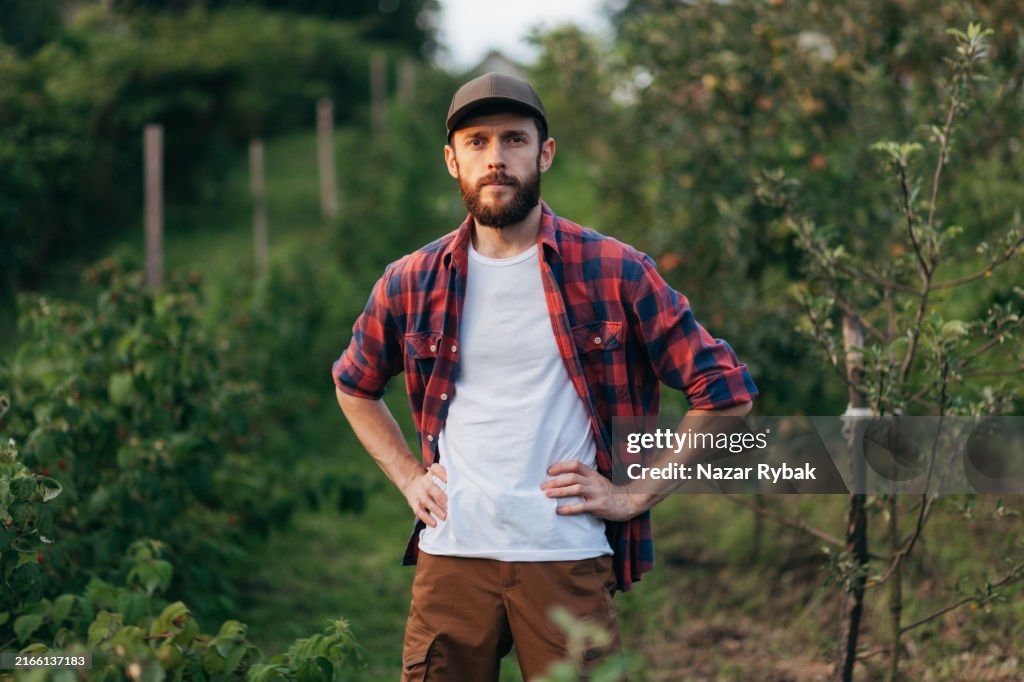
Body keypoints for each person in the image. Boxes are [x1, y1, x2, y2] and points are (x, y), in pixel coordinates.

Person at [332, 72, 758, 681]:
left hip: (565, 556)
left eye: (514, 140)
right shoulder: (411, 279)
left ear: (545, 153)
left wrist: (632, 495)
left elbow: (724, 392)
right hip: (452, 554)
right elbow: (354, 384)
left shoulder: (615, 270)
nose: (496, 159)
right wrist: (407, 477)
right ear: (452, 160)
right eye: (477, 143)